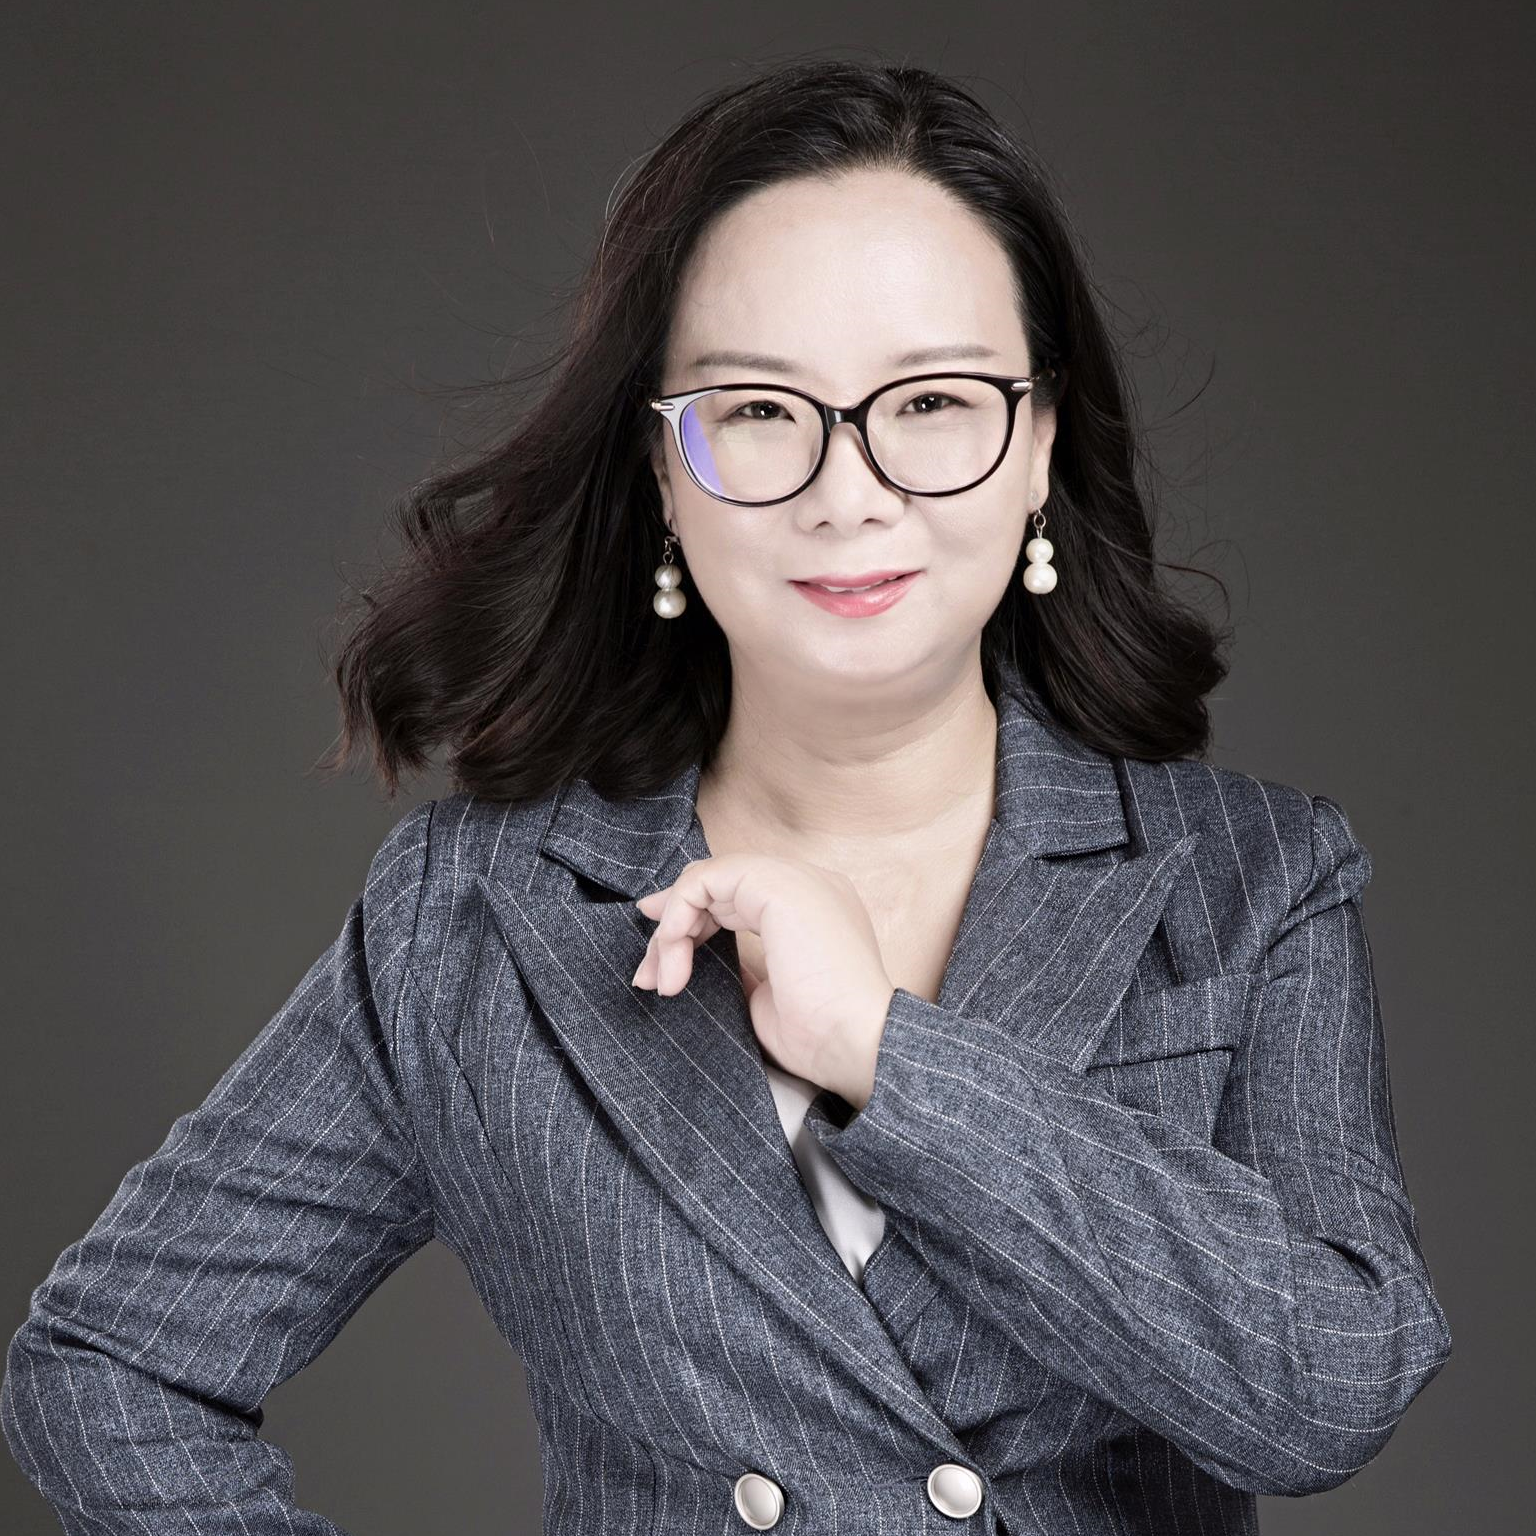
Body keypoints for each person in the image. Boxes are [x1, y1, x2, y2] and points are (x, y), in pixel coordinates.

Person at [1, 56, 1452, 1536]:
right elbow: (111, 1367)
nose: (850, 492)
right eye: (759, 409)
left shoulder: (1247, 877)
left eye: (932, 400)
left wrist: (886, 1053)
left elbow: (1330, 1390)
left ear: (1039, 444)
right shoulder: (476, 916)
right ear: (663, 470)